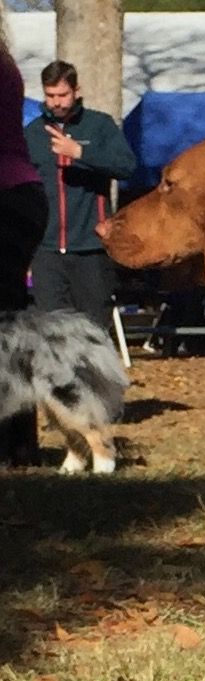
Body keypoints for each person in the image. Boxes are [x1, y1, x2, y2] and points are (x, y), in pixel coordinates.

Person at [24, 60, 136, 329]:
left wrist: (80, 154)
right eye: (50, 95)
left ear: (76, 91)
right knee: (51, 331)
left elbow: (127, 166)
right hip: (47, 251)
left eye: (63, 95)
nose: (57, 102)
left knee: (93, 328)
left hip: (90, 248)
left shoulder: (99, 126)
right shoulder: (33, 133)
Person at [0, 11, 47, 467]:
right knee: (9, 322)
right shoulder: (6, 62)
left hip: (6, 197)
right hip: (22, 194)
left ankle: (14, 444)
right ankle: (18, 444)